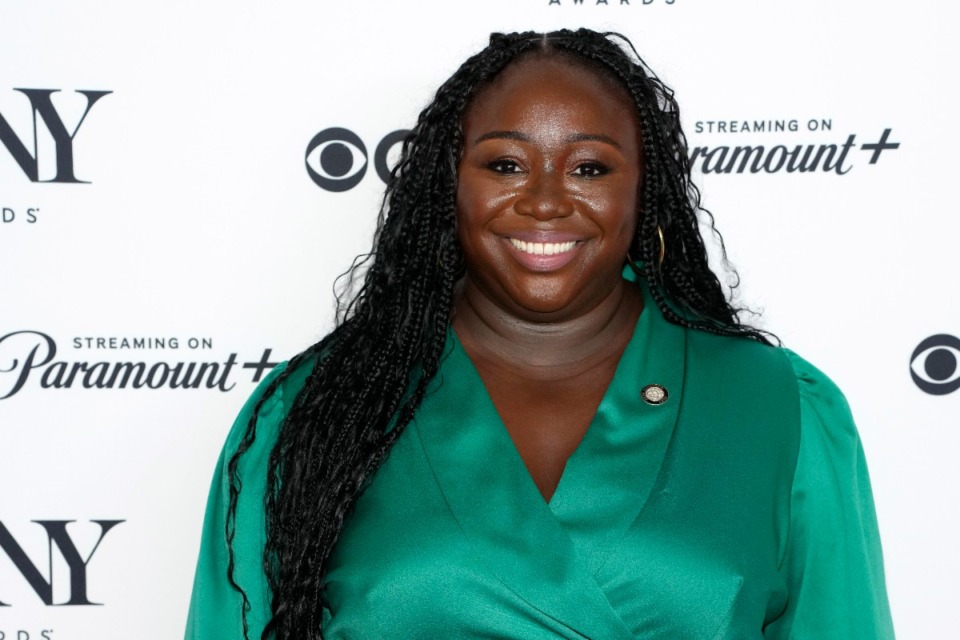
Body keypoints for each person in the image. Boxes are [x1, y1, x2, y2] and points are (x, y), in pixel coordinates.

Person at [186, 29, 895, 639]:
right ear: (446, 187)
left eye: (589, 167)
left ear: (642, 190)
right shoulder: (317, 411)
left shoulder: (779, 406)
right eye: (505, 164)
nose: (547, 199)